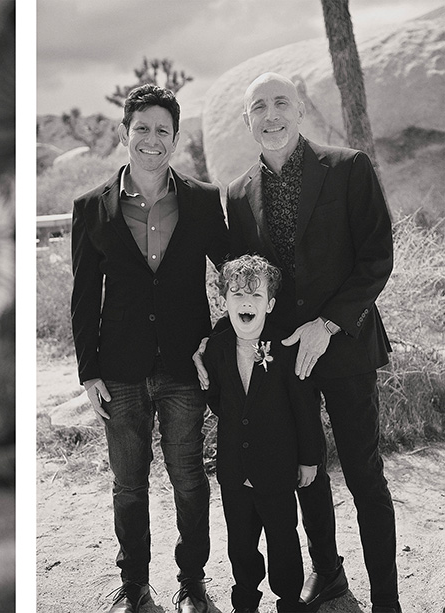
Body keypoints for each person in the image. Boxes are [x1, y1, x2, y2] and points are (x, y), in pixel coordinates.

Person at [195, 72, 398, 613]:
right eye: (258, 107)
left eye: (280, 102)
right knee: (305, 472)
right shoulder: (238, 195)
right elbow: (245, 281)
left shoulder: (349, 168)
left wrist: (327, 323)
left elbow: (377, 255)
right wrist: (213, 341)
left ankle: (386, 599)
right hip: (282, 362)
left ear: (300, 109)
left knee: (362, 473)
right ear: (247, 121)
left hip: (347, 346)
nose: (271, 114)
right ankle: (328, 574)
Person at [71, 84, 229, 613]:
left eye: (163, 130)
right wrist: (87, 371)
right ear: (125, 135)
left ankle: (192, 583)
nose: (152, 139)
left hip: (186, 366)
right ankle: (135, 586)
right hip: (119, 369)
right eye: (142, 129)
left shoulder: (204, 202)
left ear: (176, 139)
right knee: (128, 483)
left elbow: (234, 276)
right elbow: (82, 294)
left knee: (188, 479)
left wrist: (223, 344)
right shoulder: (91, 208)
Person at [204, 255, 322, 613]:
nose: (246, 302)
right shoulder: (217, 350)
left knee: (283, 539)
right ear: (225, 302)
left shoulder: (284, 350)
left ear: (269, 304)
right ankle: (245, 600)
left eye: (256, 296)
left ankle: (289, 599)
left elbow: (305, 409)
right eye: (237, 294)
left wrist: (308, 458)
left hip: (277, 468)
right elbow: (218, 400)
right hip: (234, 470)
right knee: (240, 542)